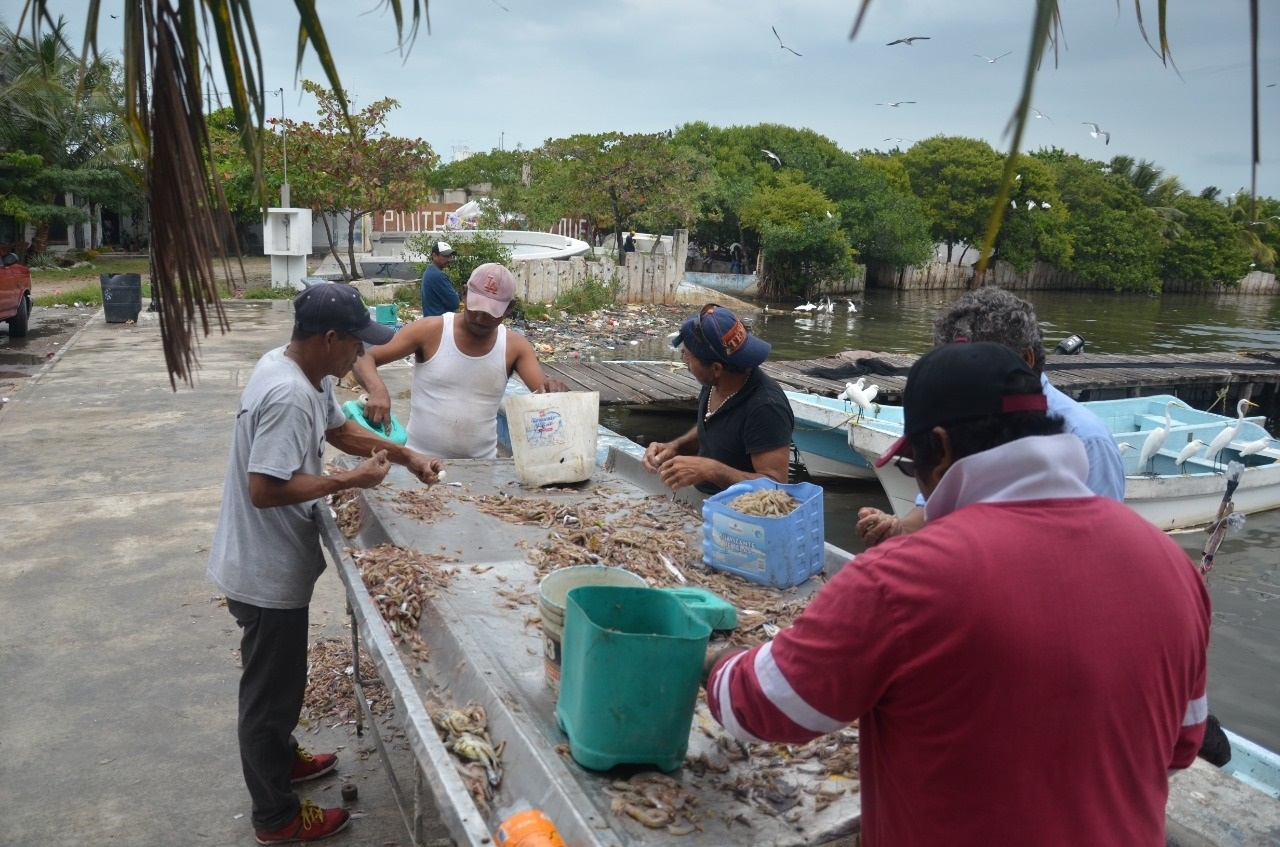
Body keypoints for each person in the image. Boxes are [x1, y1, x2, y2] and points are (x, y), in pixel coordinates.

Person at [705, 342, 1210, 847]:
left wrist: (712, 659)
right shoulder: (1174, 568)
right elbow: (1182, 746)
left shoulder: (903, 578)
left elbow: (759, 706)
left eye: (910, 465)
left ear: (940, 449)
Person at [207, 284, 443, 844]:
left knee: (284, 680)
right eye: (356, 343)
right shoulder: (288, 395)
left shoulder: (303, 373)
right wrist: (347, 479)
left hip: (272, 562)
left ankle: (283, 759)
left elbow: (338, 430)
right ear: (329, 338)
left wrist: (405, 454)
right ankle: (277, 817)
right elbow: (264, 487)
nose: (360, 355)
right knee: (268, 697)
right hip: (263, 572)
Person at [856, 286, 1126, 547]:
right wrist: (900, 530)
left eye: (974, 365)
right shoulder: (964, 415)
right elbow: (935, 506)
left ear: (1026, 360)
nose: (957, 383)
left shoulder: (1087, 439)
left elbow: (1100, 545)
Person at [355, 263, 568, 459]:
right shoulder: (430, 331)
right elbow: (364, 357)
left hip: (481, 468)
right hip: (418, 460)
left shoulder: (515, 347)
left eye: (491, 312)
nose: (480, 317)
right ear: (464, 294)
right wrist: (377, 390)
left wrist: (552, 388)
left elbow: (544, 397)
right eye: (476, 307)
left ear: (509, 308)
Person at [643, 304, 794, 494]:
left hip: (742, 517)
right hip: (706, 505)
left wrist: (710, 470)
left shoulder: (766, 408)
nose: (685, 362)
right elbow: (714, 428)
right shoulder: (715, 384)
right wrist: (675, 447)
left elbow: (776, 485)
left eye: (687, 356)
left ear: (716, 368)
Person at [419, 240, 457, 317]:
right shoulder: (438, 276)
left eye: (450, 256)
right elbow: (455, 303)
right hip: (440, 322)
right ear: (434, 256)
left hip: (432, 320)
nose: (449, 259)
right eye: (445, 256)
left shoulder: (429, 271)